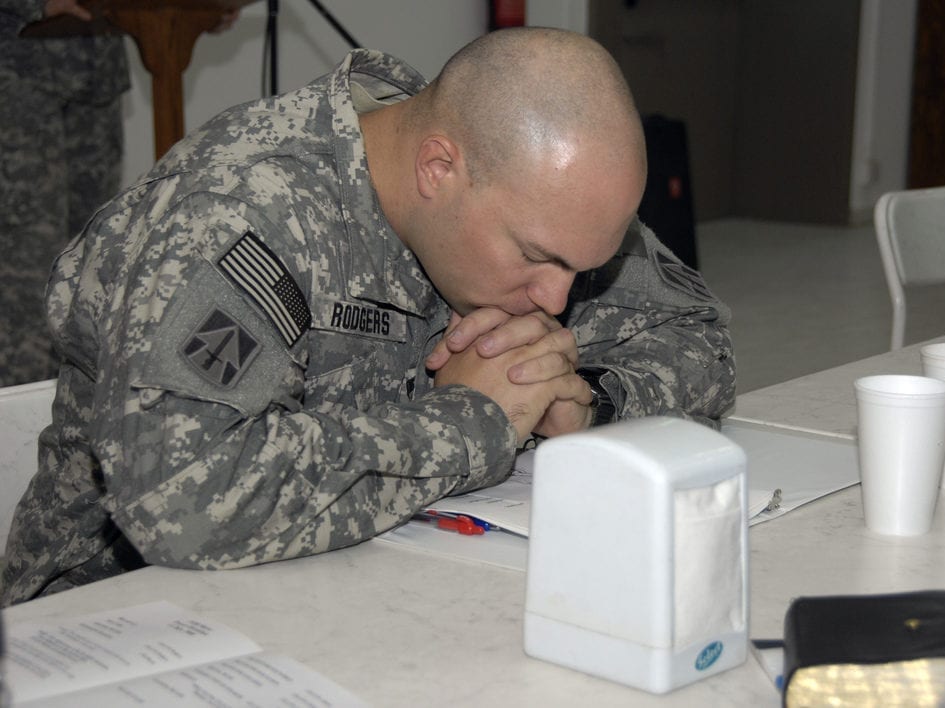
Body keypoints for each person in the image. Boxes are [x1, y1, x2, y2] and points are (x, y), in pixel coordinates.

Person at [1, 27, 736, 606]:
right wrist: (474, 419)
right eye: (540, 259)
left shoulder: (532, 196)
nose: (556, 300)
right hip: (119, 621)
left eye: (584, 269)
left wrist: (585, 400)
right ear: (439, 169)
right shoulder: (245, 214)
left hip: (361, 585)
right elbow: (181, 499)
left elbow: (702, 345)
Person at [0, 0, 129, 386]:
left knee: (93, 264)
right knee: (25, 278)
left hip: (95, 70)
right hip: (17, 80)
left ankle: (75, 431)